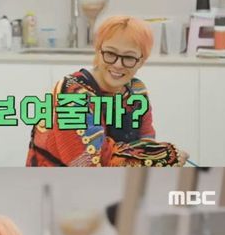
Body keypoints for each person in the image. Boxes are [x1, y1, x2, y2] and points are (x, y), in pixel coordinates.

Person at [26, 16, 188, 167]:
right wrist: (165, 157)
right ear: (98, 51)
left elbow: (146, 140)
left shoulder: (137, 90)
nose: (118, 65)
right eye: (110, 53)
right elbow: (86, 162)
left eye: (129, 57)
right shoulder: (71, 94)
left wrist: (159, 156)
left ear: (141, 61)